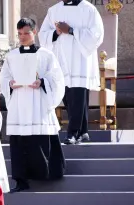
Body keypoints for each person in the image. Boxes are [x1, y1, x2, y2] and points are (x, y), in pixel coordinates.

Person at [1, 18, 66, 193]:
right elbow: (4, 77)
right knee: (20, 142)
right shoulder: (11, 56)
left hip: (38, 103)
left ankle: (45, 177)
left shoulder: (46, 54)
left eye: (26, 33)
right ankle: (21, 180)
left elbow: (57, 78)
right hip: (20, 103)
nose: (22, 37)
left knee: (39, 139)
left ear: (35, 32)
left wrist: (42, 82)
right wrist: (10, 84)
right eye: (20, 34)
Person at [39, 0, 104, 145]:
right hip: (61, 59)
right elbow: (43, 35)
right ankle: (83, 131)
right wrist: (56, 32)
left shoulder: (89, 9)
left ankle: (72, 133)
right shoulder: (54, 10)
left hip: (80, 60)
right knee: (68, 96)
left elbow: (97, 34)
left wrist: (71, 30)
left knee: (79, 95)